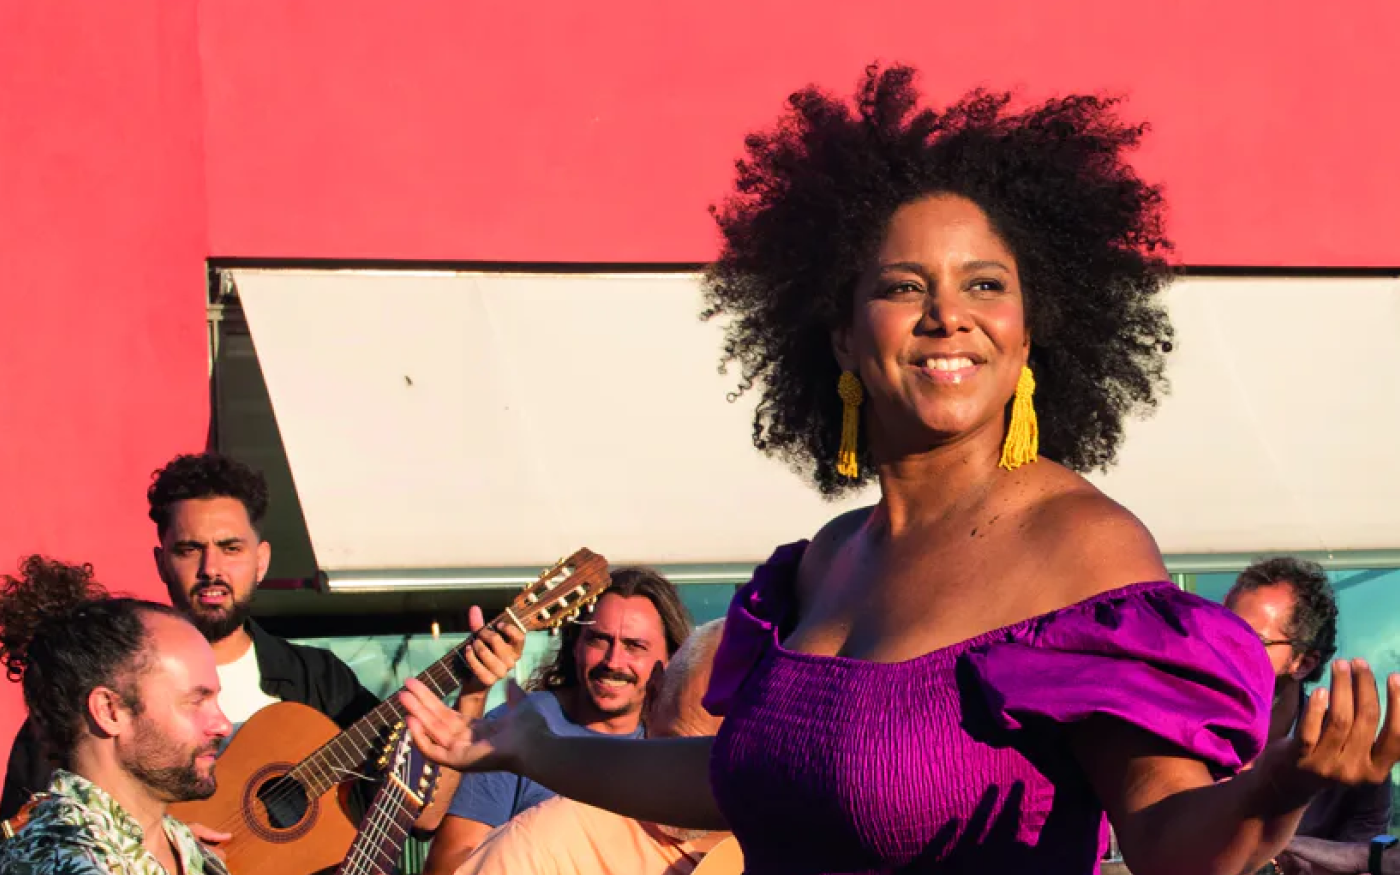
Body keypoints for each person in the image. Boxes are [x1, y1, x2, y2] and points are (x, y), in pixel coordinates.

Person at [398, 64, 1400, 875]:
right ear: (841, 334)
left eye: (984, 284)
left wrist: (1280, 784)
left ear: (1027, 333)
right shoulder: (823, 561)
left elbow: (1166, 837)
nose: (946, 314)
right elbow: (747, 778)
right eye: (903, 286)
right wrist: (534, 745)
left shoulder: (1081, 548)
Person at [1, 451, 523, 837]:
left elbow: (421, 815)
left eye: (231, 548)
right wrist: (162, 845)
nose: (211, 568)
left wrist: (472, 694)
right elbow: (24, 840)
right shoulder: (96, 698)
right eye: (189, 549)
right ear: (161, 562)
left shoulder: (319, 683)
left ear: (262, 560)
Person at [423, 567, 691, 874]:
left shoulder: (675, 745)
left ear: (670, 659)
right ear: (576, 646)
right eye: (599, 640)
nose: (614, 661)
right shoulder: (516, 727)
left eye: (634, 646)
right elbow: (449, 865)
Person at [0, 556, 232, 874]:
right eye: (195, 701)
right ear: (110, 711)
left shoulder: (182, 845)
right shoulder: (62, 862)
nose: (222, 725)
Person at [456, 619, 733, 875]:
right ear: (653, 697)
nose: (692, 783)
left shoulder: (756, 846)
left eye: (724, 767)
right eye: (678, 753)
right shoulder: (542, 848)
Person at [1225, 558, 1396, 874]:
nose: (1224, 653)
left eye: (1251, 641)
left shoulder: (1351, 756)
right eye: (1221, 636)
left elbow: (1361, 863)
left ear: (1303, 663)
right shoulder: (1184, 735)